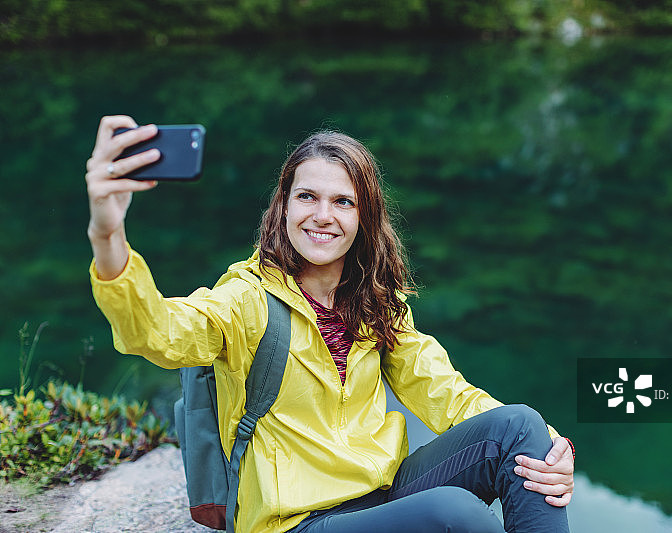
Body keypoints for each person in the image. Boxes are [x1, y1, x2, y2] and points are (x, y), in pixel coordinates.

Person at [86, 115, 574, 533]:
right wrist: (108, 234)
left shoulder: (376, 303)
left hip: (378, 497)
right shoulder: (246, 299)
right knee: (453, 513)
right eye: (307, 197)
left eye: (343, 202)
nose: (322, 216)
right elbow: (157, 331)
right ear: (283, 206)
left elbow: (445, 391)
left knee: (521, 427)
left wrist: (551, 450)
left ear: (365, 216)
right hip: (296, 520)